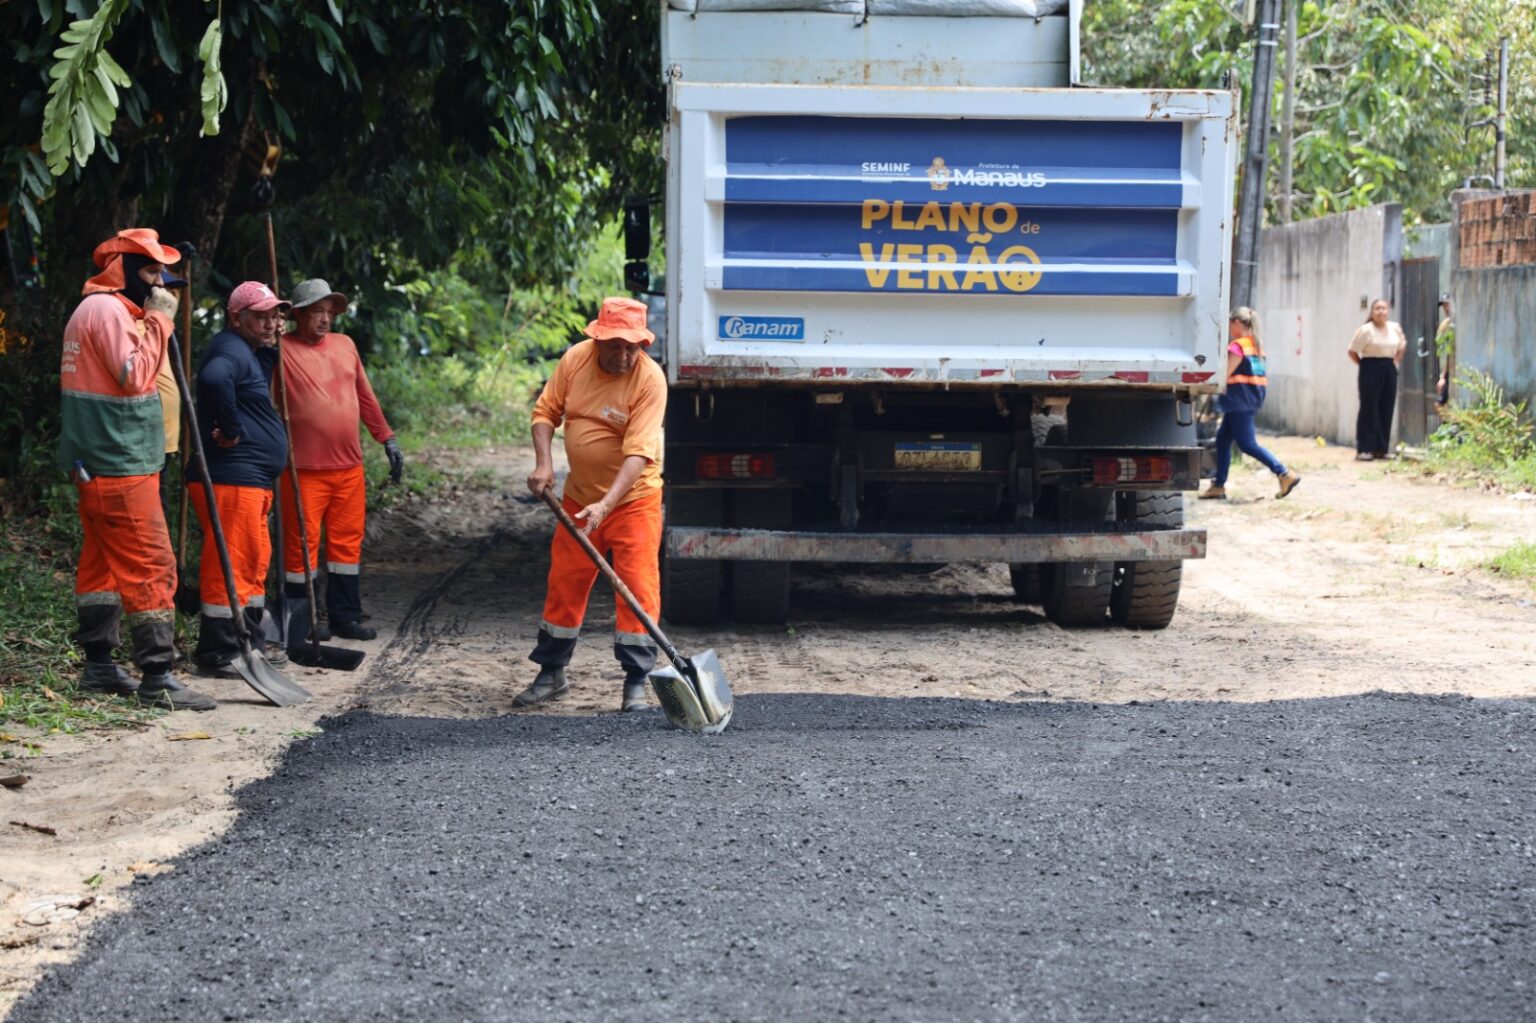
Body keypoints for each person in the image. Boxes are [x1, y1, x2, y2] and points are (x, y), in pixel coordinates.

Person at [58, 228, 215, 711]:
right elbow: (134, 376)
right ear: (122, 269)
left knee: (102, 566)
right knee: (152, 565)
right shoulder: (105, 310)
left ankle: (100, 665)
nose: (158, 283)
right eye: (149, 271)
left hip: (108, 462)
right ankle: (157, 675)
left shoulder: (109, 309)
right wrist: (161, 322)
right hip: (117, 463)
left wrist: (152, 313)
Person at [514, 296, 666, 713]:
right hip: (579, 497)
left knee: (637, 586)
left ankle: (636, 680)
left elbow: (638, 454)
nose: (622, 355)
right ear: (597, 339)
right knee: (566, 580)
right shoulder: (576, 361)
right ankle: (551, 673)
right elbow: (545, 412)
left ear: (644, 346)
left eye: (631, 347)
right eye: (614, 345)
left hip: (633, 501)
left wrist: (606, 505)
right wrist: (544, 465)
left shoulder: (650, 381)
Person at [276, 279, 403, 643]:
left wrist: (387, 438)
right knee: (301, 546)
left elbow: (365, 396)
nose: (324, 319)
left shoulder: (345, 346)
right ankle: (301, 622)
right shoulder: (280, 350)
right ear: (298, 315)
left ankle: (345, 618)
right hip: (301, 471)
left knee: (346, 545)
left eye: (328, 312)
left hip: (348, 468)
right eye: (316, 311)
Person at [189, 281, 290, 676]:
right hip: (232, 478)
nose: (271, 323)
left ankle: (248, 644)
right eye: (261, 316)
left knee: (251, 562)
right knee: (230, 565)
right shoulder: (229, 349)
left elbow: (254, 384)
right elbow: (215, 379)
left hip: (249, 481)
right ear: (237, 317)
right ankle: (218, 653)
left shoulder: (248, 351)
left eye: (275, 315)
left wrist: (269, 348)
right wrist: (230, 430)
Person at [1200, 307, 1301, 501]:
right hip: (1248, 399)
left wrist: (1207, 386)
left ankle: (1284, 473)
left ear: (1238, 323)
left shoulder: (1238, 346)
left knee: (1247, 445)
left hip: (1239, 401)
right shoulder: (1255, 346)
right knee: (1223, 441)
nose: (1229, 328)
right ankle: (1218, 485)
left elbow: (1225, 375)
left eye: (1230, 324)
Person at [1348, 298, 1407, 461]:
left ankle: (1381, 448)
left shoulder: (1394, 328)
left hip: (1389, 367)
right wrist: (1364, 365)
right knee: (1369, 407)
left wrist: (1395, 361)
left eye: (1383, 308)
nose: (1380, 312)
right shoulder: (1366, 330)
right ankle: (1365, 448)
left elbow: (1402, 346)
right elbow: (1352, 351)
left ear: (1388, 311)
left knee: (1386, 407)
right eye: (1377, 309)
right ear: (1372, 312)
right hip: (1370, 367)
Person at [1434, 294, 1455, 408]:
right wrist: (1443, 376)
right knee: (1441, 403)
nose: (1446, 309)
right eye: (1444, 306)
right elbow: (1444, 352)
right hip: (1449, 370)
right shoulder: (1445, 325)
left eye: (1448, 305)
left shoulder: (1453, 324)